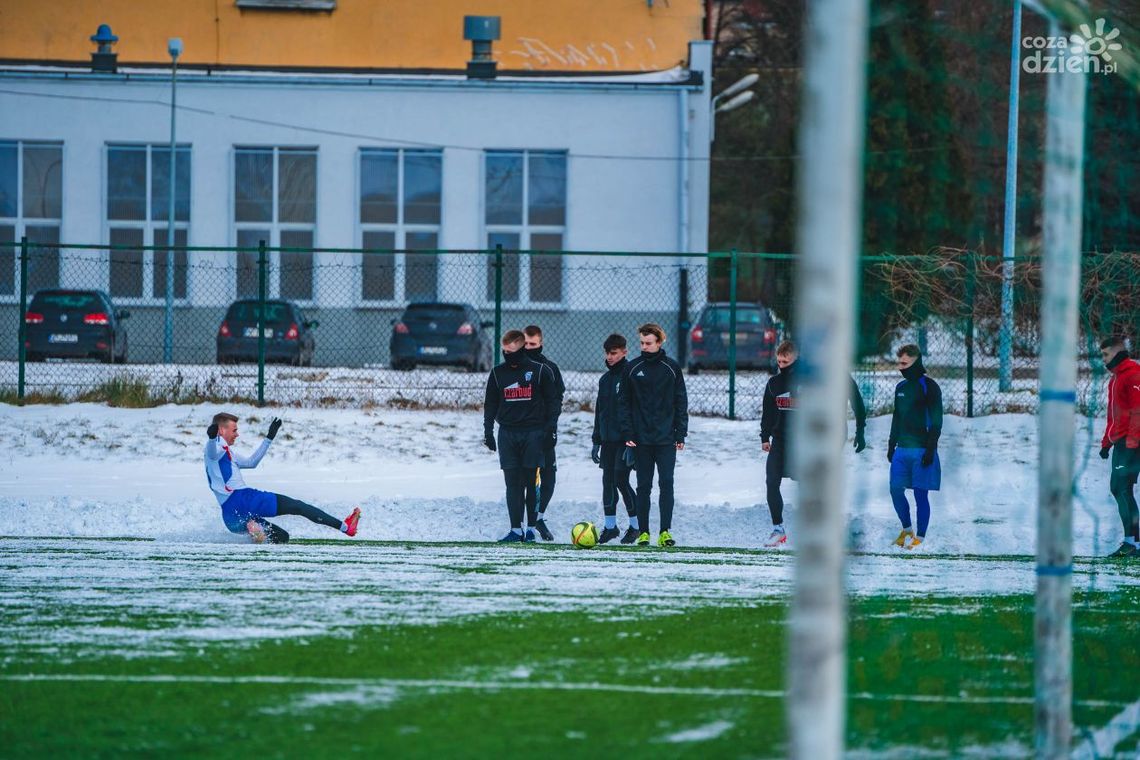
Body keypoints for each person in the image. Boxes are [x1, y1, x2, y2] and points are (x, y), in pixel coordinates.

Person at [759, 340, 867, 547]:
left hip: (807, 442)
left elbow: (854, 398)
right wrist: (765, 436)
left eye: (786, 361)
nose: (781, 365)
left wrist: (860, 430)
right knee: (771, 480)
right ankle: (778, 529)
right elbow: (768, 412)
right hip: (781, 441)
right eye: (779, 361)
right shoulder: (774, 383)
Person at [204, 413, 361, 544]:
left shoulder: (227, 452)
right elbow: (213, 452)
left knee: (281, 537)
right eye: (234, 430)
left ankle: (254, 528)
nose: (237, 434)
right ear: (221, 430)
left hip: (230, 515)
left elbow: (252, 463)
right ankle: (346, 527)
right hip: (244, 499)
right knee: (298, 506)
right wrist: (212, 438)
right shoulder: (215, 447)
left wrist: (269, 438)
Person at [483, 329, 561, 543]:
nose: (507, 355)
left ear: (522, 348)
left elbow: (553, 402)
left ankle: (531, 529)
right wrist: (488, 431)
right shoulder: (498, 373)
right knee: (512, 483)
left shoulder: (540, 371)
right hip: (507, 434)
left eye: (511, 351)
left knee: (530, 481)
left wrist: (550, 429)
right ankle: (515, 529)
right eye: (504, 351)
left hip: (533, 434)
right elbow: (490, 404)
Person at [618, 323, 688, 547]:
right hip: (641, 440)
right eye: (641, 343)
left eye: (649, 343)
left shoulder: (672, 368)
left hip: (666, 438)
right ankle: (644, 532)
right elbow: (624, 404)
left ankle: (665, 532)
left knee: (666, 483)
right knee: (643, 486)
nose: (645, 347)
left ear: (659, 342)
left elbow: (681, 401)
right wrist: (628, 432)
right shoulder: (631, 368)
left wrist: (680, 432)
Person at [887, 344, 943, 550]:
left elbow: (937, 421)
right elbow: (896, 416)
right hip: (902, 449)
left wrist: (931, 448)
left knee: (920, 494)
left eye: (904, 363)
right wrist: (891, 444)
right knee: (895, 489)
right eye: (899, 363)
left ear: (916, 362)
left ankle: (921, 536)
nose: (900, 367)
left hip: (922, 449)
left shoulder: (930, 386)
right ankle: (907, 529)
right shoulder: (900, 388)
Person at [592, 333, 639, 544]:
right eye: (607, 353)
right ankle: (610, 527)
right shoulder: (605, 380)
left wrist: (634, 443)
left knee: (621, 479)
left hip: (625, 440)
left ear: (624, 352)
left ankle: (636, 526)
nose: (609, 357)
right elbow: (599, 411)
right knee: (607, 482)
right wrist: (596, 440)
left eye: (614, 353)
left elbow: (637, 411)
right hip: (608, 440)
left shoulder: (631, 375)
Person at [522, 324, 566, 541]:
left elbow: (557, 400)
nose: (529, 347)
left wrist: (551, 427)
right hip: (522, 434)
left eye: (533, 344)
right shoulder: (515, 367)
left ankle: (539, 517)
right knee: (524, 478)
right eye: (526, 344)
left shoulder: (550, 368)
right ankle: (524, 522)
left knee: (549, 477)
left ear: (540, 343)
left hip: (545, 431)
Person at [1097, 336, 1140, 557]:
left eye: (1105, 354)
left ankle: (1133, 543)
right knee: (1120, 488)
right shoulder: (1115, 379)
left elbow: (1137, 412)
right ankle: (1133, 542)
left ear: (1116, 353)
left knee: (1121, 488)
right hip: (1121, 443)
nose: (1103, 359)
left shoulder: (1132, 375)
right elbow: (1114, 417)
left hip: (1132, 443)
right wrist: (1106, 443)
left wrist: (1132, 443)